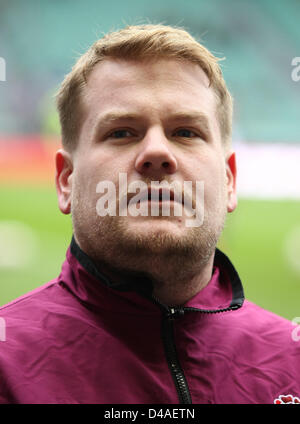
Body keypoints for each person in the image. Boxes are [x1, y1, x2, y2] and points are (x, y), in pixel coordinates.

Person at [0, 24, 299, 405]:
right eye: (122, 132)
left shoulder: (293, 364)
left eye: (186, 132)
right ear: (66, 181)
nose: (157, 153)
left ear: (229, 181)